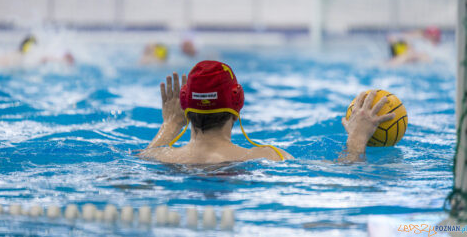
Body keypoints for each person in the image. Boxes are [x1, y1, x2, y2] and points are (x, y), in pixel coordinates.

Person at [139, 61, 394, 164]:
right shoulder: (267, 157)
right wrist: (357, 141)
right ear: (237, 102)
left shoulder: (160, 158)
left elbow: (142, 161)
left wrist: (170, 125)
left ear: (185, 105)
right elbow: (342, 179)